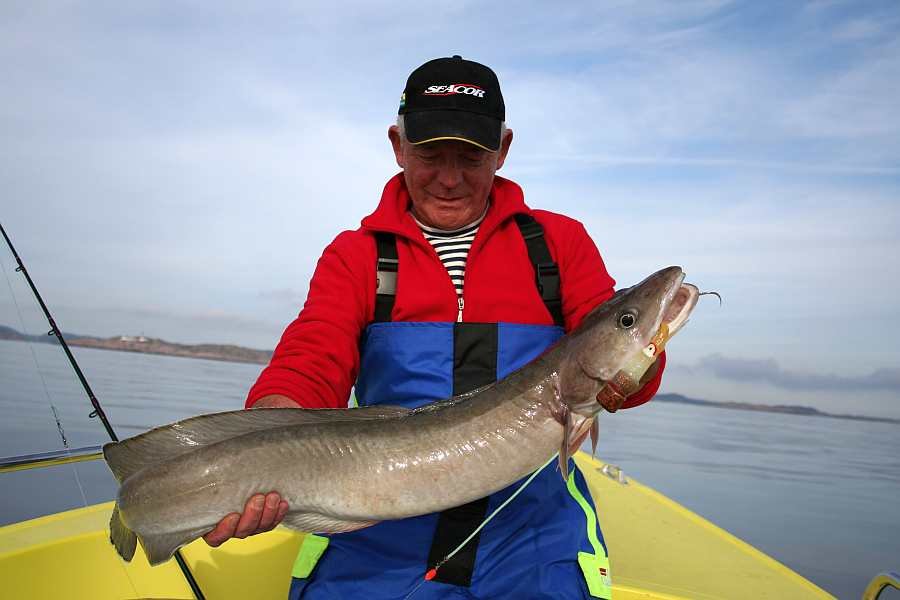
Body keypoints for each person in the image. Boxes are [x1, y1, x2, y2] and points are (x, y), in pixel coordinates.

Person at [203, 56, 665, 599]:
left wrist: (640, 365)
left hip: (530, 530)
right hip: (376, 519)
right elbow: (314, 354)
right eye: (429, 154)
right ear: (398, 146)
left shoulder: (559, 244)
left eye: (470, 155)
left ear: (503, 149)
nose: (449, 178)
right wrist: (268, 426)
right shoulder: (358, 256)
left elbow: (624, 368)